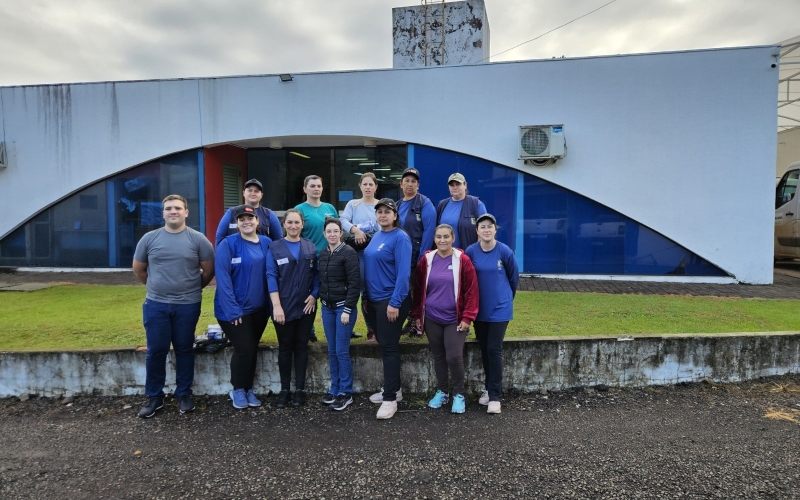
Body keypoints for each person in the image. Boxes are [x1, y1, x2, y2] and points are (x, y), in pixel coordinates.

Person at [132, 194, 215, 418]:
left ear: (186, 212)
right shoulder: (149, 239)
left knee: (185, 349)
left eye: (178, 208)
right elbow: (139, 269)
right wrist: (156, 287)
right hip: (156, 305)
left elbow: (208, 271)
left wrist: (192, 290)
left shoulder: (198, 240)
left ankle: (184, 394)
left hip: (187, 305)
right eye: (168, 208)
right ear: (163, 213)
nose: (173, 211)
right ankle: (154, 397)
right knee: (156, 351)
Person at [411, 224, 479, 414]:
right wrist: (417, 314)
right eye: (439, 237)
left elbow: (472, 291)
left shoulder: (462, 260)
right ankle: (442, 391)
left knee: (454, 356)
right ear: (434, 239)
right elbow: (418, 290)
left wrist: (468, 317)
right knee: (439, 356)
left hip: (454, 319)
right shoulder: (426, 260)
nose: (442, 240)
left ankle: (459, 394)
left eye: (446, 237)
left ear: (453, 238)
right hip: (432, 317)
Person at [214, 205, 272, 409]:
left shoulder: (266, 243)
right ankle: (237, 389)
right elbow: (222, 278)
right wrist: (232, 310)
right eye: (242, 219)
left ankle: (248, 389)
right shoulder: (227, 244)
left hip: (259, 309)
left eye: (250, 218)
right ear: (237, 223)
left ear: (258, 221)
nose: (246, 222)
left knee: (251, 349)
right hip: (234, 311)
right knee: (244, 348)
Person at [465, 214, 519, 415]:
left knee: (494, 349)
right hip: (479, 309)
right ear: (477, 231)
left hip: (500, 309)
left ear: (495, 229)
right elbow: (467, 279)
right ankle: (488, 388)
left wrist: (504, 299)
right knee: (484, 349)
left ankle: (495, 396)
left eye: (490, 226)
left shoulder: (504, 251)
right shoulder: (471, 251)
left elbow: (513, 278)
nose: (486, 230)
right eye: (482, 227)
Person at [363, 198, 412, 420]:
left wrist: (395, 302)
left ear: (395, 215)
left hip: (390, 300)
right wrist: (365, 296)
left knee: (390, 347)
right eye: (379, 212)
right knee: (384, 345)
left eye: (387, 212)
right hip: (373, 300)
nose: (383, 215)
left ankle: (390, 399)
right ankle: (394, 389)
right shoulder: (377, 236)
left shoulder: (400, 237)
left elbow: (403, 274)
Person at [266, 208, 320, 408]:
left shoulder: (310, 246)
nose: (293, 226)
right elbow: (271, 277)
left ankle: (300, 390)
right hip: (284, 306)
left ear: (302, 224)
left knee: (301, 346)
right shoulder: (274, 247)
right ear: (284, 225)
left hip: (306, 306)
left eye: (297, 222)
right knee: (285, 346)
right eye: (289, 222)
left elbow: (316, 274)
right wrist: (277, 306)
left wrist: (315, 295)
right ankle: (285, 390)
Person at [318, 217, 361, 411]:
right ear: (324, 234)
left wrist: (347, 309)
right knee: (332, 349)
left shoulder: (348, 253)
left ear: (341, 233)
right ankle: (335, 388)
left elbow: (355, 284)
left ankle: (346, 392)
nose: (332, 234)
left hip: (344, 309)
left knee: (341, 350)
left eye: (336, 231)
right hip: (327, 307)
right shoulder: (324, 253)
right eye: (329, 231)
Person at [295, 175, 338, 342]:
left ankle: (340, 328)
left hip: (330, 259)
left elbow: (336, 230)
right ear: (305, 189)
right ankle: (309, 331)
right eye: (312, 186)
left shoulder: (329, 208)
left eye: (319, 185)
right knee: (308, 295)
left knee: (332, 293)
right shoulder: (300, 209)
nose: (316, 189)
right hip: (308, 260)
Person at [396, 167, 436, 337]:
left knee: (416, 290)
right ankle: (408, 318)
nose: (410, 184)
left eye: (413, 181)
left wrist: (423, 256)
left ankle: (416, 322)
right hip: (400, 257)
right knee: (403, 289)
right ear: (401, 184)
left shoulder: (424, 203)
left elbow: (429, 230)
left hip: (417, 256)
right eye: (407, 181)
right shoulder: (396, 205)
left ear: (418, 185)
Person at [340, 172, 379, 340]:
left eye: (371, 184)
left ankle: (379, 327)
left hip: (377, 253)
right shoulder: (353, 204)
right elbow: (342, 220)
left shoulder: (381, 205)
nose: (368, 187)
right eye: (365, 184)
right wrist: (355, 230)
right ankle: (370, 328)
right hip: (359, 253)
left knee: (375, 289)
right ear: (360, 186)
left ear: (376, 187)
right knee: (363, 290)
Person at [214, 178, 283, 246]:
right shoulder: (231, 212)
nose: (253, 193)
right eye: (250, 190)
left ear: (261, 195)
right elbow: (220, 238)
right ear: (243, 193)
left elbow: (278, 241)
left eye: (256, 191)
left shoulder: (269, 214)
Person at [435, 173, 487, 250]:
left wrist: (478, 253)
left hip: (468, 257)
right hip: (445, 255)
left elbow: (484, 231)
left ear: (465, 185)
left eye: (458, 184)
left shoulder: (476, 204)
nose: (455, 187)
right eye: (452, 185)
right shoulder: (442, 204)